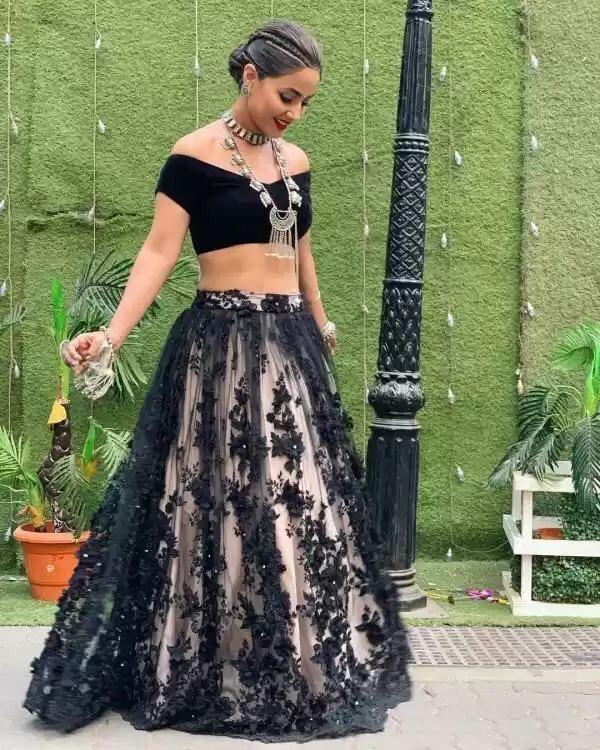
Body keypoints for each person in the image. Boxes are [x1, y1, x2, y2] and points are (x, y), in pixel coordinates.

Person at [23, 18, 413, 742]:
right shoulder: (192, 157)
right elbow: (158, 253)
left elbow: (301, 254)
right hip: (219, 348)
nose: (295, 113)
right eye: (287, 96)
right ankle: (212, 666)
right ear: (250, 76)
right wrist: (110, 335)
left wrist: (320, 323)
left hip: (289, 346)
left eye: (306, 102)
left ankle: (297, 668)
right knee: (213, 506)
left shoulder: (296, 160)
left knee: (299, 504)